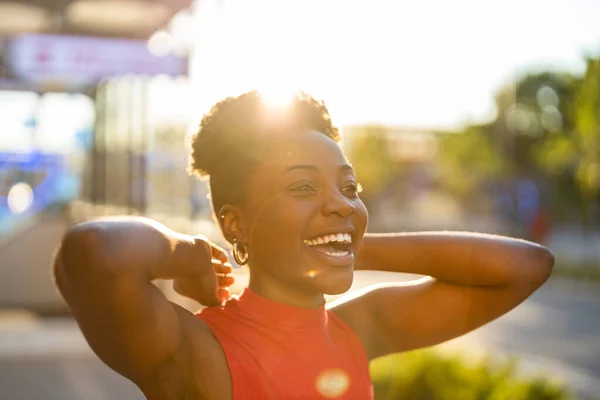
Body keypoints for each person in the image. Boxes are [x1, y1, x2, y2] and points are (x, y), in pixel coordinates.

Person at [54, 91, 555, 400]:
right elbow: (92, 251)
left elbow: (526, 266)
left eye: (349, 188)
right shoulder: (198, 353)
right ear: (236, 224)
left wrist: (344, 240)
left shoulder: (359, 330)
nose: (340, 202)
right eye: (302, 187)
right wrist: (190, 255)